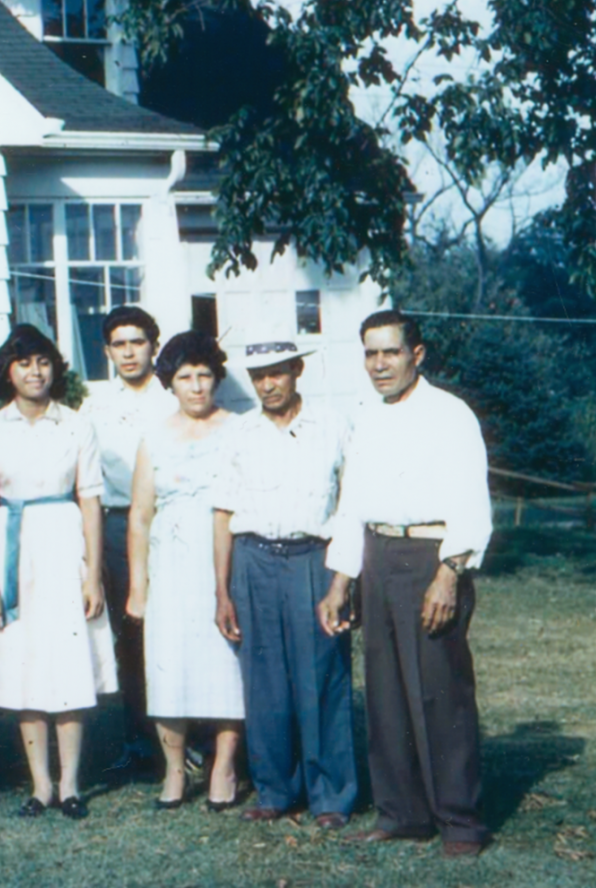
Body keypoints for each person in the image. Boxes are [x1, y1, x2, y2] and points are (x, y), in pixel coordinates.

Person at [318, 310, 492, 858]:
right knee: (386, 694)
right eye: (370, 353)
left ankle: (459, 821)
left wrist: (449, 573)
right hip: (378, 556)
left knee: (440, 692)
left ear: (417, 355)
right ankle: (402, 813)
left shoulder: (450, 415)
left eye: (390, 352)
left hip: (431, 559)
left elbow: (471, 499)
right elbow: (352, 505)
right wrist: (340, 581)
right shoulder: (367, 418)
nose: (379, 364)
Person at [0, 324, 116, 821]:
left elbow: (90, 500)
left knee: (67, 661)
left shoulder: (76, 424)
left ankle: (71, 784)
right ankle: (41, 785)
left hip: (63, 545)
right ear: (7, 371)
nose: (35, 372)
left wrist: (92, 575)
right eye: (24, 363)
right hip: (12, 550)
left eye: (43, 362)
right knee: (24, 663)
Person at [210, 338, 355, 828]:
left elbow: (350, 509)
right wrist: (222, 590)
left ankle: (330, 795)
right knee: (264, 680)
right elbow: (223, 512)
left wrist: (341, 581)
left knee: (322, 676)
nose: (268, 384)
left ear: (297, 370)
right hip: (254, 560)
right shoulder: (239, 433)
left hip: (313, 559)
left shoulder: (333, 427)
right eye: (258, 376)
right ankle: (274, 789)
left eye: (277, 372)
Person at [127, 331, 243, 810]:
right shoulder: (155, 436)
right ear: (169, 383)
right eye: (185, 377)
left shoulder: (240, 429)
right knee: (168, 664)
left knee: (225, 664)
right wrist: (138, 586)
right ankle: (174, 769)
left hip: (224, 557)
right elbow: (139, 515)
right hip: (170, 562)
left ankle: (223, 766)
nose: (196, 386)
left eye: (204, 375)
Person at [78, 306, 176, 773]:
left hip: (170, 524)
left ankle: (189, 739)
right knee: (130, 635)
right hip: (117, 526)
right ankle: (140, 742)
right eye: (120, 344)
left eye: (138, 342)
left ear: (153, 346)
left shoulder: (174, 397)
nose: (130, 352)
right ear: (107, 351)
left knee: (175, 631)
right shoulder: (94, 406)